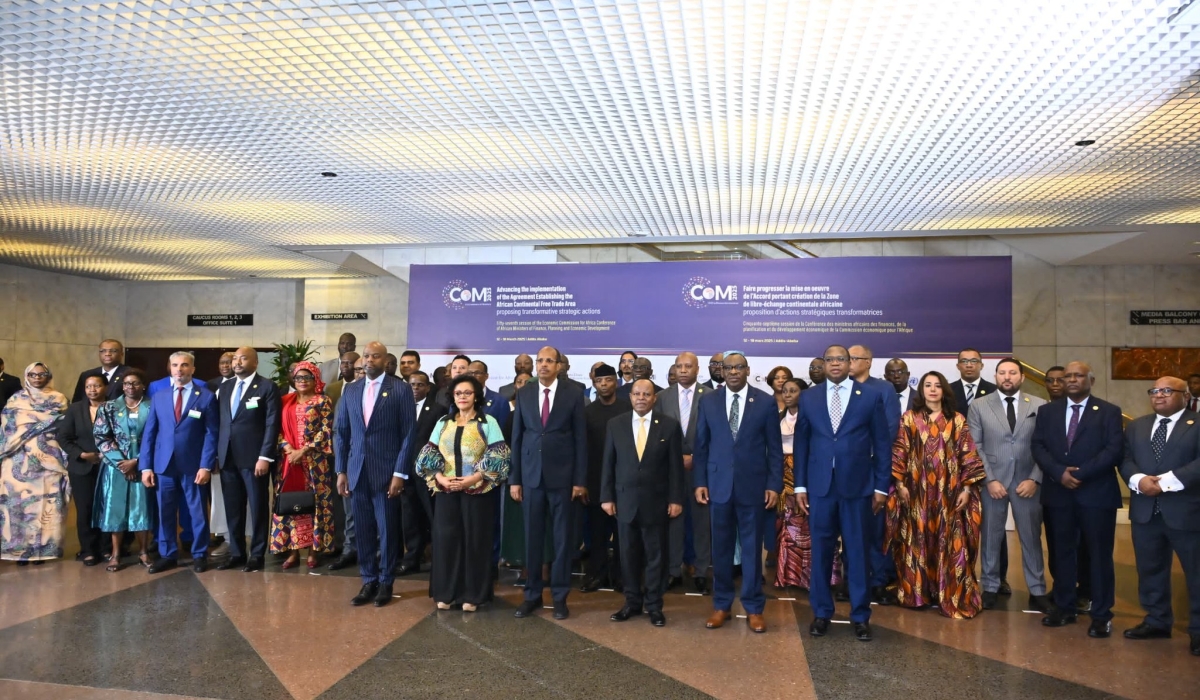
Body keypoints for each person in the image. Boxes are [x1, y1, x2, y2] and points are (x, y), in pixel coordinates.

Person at [794, 346, 890, 641]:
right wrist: (800, 485)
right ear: (823, 365)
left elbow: (882, 443)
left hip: (858, 487)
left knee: (858, 552)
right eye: (830, 359)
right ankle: (822, 613)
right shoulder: (809, 397)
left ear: (851, 364)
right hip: (821, 487)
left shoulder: (870, 396)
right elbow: (802, 443)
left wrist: (880, 486)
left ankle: (860, 616)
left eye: (841, 359)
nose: (835, 364)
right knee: (821, 552)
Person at [1032, 361, 1124, 638]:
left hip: (1096, 494)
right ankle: (1064, 607)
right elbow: (1038, 446)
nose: (1071, 380)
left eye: (1078, 376)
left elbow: (1114, 450)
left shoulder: (1108, 411)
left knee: (1098, 555)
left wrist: (1081, 473)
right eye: (1067, 376)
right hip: (1059, 493)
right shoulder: (1047, 412)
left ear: (1090, 380)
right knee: (1061, 553)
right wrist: (1059, 472)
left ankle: (1101, 614)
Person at [693, 351, 783, 633]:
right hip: (718, 486)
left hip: (753, 487)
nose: (732, 372)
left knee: (752, 548)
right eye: (727, 367)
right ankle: (721, 606)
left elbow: (775, 449)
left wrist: (773, 485)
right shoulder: (708, 400)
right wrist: (700, 482)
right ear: (722, 371)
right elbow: (701, 446)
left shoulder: (765, 402)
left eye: (738, 367)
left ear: (747, 370)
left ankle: (754, 608)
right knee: (720, 548)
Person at [888, 371, 986, 618]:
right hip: (917, 491)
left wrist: (966, 488)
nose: (932, 389)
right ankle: (918, 593)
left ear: (944, 390)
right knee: (916, 539)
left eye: (937, 385)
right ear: (921, 390)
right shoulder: (909, 418)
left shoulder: (957, 420)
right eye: (928, 385)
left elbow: (968, 455)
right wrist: (899, 486)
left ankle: (949, 594)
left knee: (950, 541)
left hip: (949, 492)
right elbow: (900, 451)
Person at [415, 375, 511, 611]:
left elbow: (500, 456)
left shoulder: (488, 422)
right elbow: (427, 455)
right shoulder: (443, 423)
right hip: (447, 492)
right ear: (452, 396)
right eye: (458, 393)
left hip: (477, 494)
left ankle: (473, 596)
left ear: (476, 395)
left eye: (467, 393)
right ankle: (446, 594)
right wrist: (440, 479)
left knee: (475, 542)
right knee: (446, 542)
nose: (463, 397)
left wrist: (472, 479)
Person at [1120, 376, 1200, 655]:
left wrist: (1165, 483)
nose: (1159, 395)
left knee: (1196, 573)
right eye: (1155, 391)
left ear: (1185, 396)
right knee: (1150, 569)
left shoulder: (1196, 422)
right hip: (1145, 511)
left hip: (1187, 512)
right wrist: (1139, 479)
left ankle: (1198, 630)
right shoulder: (1137, 425)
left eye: (1167, 391)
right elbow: (1125, 458)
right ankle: (1156, 620)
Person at [334, 341, 415, 608]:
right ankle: (368, 579)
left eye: (375, 356)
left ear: (384, 360)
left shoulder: (400, 390)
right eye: (366, 356)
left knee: (388, 530)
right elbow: (342, 433)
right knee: (363, 530)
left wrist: (399, 473)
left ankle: (386, 581)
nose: (369, 361)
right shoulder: (352, 390)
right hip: (357, 472)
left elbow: (408, 435)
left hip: (387, 474)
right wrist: (341, 470)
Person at [510, 345, 588, 620]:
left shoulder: (574, 394)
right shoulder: (525, 392)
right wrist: (515, 479)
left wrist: (579, 480)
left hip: (563, 479)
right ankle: (531, 595)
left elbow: (580, 439)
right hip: (531, 477)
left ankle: (559, 597)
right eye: (540, 360)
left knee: (562, 540)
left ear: (559, 366)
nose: (543, 365)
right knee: (532, 539)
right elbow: (517, 438)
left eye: (549, 361)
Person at [967, 358, 1051, 612]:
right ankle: (990, 587)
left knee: (1031, 538)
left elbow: (1047, 446)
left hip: (1027, 483)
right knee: (991, 537)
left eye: (1012, 373)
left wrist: (1035, 478)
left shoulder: (1039, 405)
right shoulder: (979, 406)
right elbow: (975, 445)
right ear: (995, 377)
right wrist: (989, 479)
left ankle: (1037, 590)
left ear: (1022, 377)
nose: (1007, 377)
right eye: (1002, 372)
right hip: (993, 482)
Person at [602, 379, 684, 627]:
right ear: (630, 396)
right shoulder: (615, 424)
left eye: (646, 394)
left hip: (656, 503)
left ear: (654, 398)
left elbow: (675, 468)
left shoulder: (669, 426)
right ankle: (631, 603)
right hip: (624, 502)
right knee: (627, 556)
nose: (641, 398)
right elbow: (608, 463)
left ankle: (654, 606)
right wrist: (606, 496)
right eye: (636, 393)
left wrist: (676, 499)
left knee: (656, 557)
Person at [140, 351, 219, 573]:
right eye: (175, 365)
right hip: (163, 465)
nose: (179, 370)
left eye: (184, 365)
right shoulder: (160, 396)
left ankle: (199, 553)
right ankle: (168, 554)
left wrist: (205, 465)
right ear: (170, 368)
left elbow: (211, 434)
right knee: (165, 511)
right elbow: (150, 433)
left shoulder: (205, 396)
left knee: (197, 512)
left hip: (193, 466)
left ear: (192, 369)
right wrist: (146, 466)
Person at [214, 347, 282, 572]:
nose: (237, 362)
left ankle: (257, 554)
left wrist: (264, 456)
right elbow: (220, 423)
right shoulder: (225, 387)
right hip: (227, 457)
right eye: (235, 358)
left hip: (255, 459)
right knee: (233, 508)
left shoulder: (267, 386)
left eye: (243, 358)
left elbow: (272, 424)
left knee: (258, 507)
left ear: (255, 363)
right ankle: (236, 552)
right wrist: (216, 454)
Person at [774, 378, 842, 590]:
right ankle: (791, 576)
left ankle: (818, 578)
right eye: (785, 391)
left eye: (793, 391)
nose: (788, 394)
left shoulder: (815, 417)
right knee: (790, 527)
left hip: (810, 475)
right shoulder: (778, 418)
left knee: (816, 528)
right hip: (785, 477)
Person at [848, 344, 902, 603]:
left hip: (873, 467)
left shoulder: (883, 389)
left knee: (876, 526)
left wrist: (864, 453)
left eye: (854, 358)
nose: (849, 362)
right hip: (846, 469)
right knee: (849, 527)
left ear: (868, 362)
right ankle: (852, 579)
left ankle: (879, 580)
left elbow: (890, 428)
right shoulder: (840, 387)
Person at [1, 362, 70, 565]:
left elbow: (64, 427)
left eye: (42, 374)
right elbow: (7, 429)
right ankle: (20, 551)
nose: (37, 378)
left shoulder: (59, 399)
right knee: (19, 507)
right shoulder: (16, 399)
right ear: (26, 376)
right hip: (18, 459)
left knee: (47, 507)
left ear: (48, 376)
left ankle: (43, 551)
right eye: (33, 374)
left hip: (49, 462)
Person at [658, 352, 714, 595]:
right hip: (670, 470)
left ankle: (700, 571)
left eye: (688, 366)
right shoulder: (661, 397)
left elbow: (716, 435)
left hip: (701, 470)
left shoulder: (711, 396)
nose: (683, 370)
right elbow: (656, 433)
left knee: (701, 522)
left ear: (697, 369)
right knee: (673, 521)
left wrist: (696, 458)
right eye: (679, 366)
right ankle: (673, 570)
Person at [271, 362, 335, 569]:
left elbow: (325, 431)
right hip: (289, 462)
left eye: (307, 378)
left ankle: (312, 551)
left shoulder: (323, 401)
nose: (302, 382)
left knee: (313, 506)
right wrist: (288, 448)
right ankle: (292, 552)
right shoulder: (285, 401)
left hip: (315, 464)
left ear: (315, 380)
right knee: (290, 503)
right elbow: (277, 429)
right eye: (298, 378)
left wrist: (303, 450)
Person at [93, 368, 154, 571]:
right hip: (115, 468)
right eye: (127, 383)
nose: (130, 387)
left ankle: (143, 551)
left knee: (141, 510)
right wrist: (122, 463)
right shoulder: (108, 407)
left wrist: (136, 461)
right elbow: (102, 437)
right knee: (115, 510)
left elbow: (158, 438)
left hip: (143, 467)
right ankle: (116, 553)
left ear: (143, 385)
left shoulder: (153, 406)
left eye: (135, 383)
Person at [581, 364, 631, 593]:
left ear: (616, 383)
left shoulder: (627, 409)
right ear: (594, 384)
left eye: (608, 380)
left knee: (623, 534)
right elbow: (582, 450)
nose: (603, 385)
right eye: (599, 381)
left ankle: (622, 577)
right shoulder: (587, 412)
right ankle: (597, 575)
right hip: (595, 482)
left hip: (623, 482)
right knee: (597, 534)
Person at [57, 374, 109, 565]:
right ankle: (88, 549)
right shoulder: (75, 409)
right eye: (88, 387)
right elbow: (64, 438)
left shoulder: (114, 407)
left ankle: (106, 548)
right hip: (82, 467)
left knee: (107, 508)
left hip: (109, 467)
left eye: (97, 386)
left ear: (106, 387)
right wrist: (82, 454)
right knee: (85, 509)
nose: (92, 390)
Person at [398, 370, 446, 575]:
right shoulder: (399, 409)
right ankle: (412, 560)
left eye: (420, 385)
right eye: (412, 385)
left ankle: (439, 561)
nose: (415, 388)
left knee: (433, 517)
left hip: (429, 475)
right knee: (410, 519)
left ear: (428, 387)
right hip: (405, 473)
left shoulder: (438, 410)